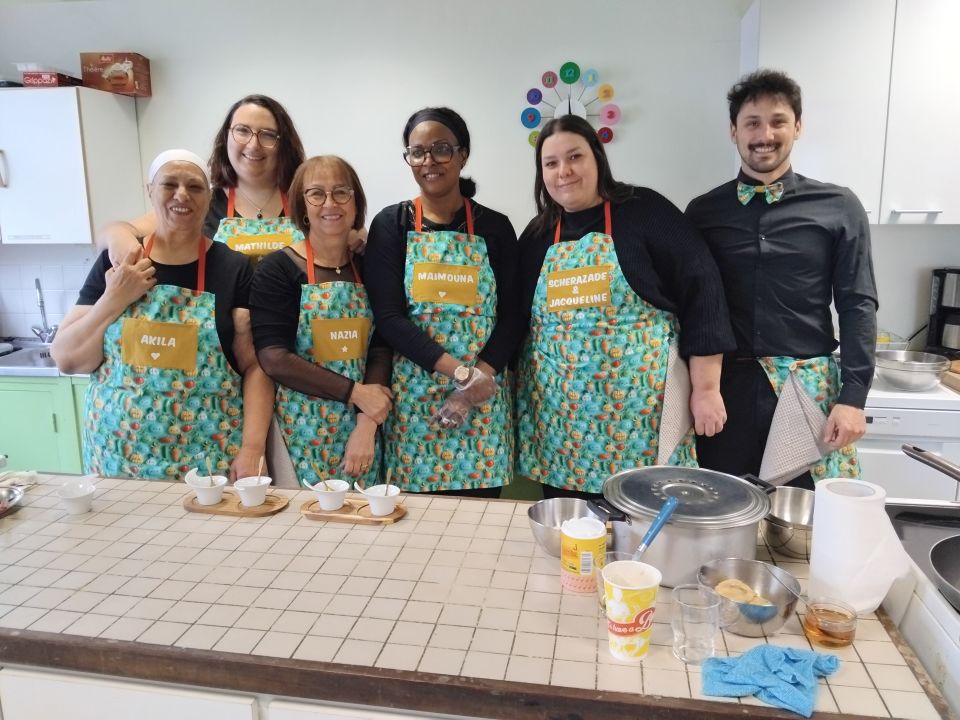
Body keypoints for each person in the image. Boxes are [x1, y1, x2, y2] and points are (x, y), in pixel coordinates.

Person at [516, 114, 735, 497]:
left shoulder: (645, 211)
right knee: (571, 525)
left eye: (575, 157)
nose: (564, 171)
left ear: (597, 158)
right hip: (560, 429)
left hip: (641, 421)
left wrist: (706, 389)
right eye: (551, 163)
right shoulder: (537, 235)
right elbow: (515, 321)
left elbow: (703, 292)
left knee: (646, 516)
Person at [685, 69, 877, 488]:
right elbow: (691, 307)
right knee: (723, 509)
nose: (765, 135)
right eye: (752, 123)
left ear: (798, 127)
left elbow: (857, 303)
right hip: (724, 395)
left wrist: (853, 397)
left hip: (806, 389)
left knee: (804, 515)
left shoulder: (839, 206)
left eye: (778, 122)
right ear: (734, 131)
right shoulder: (702, 213)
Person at [52, 149, 274, 481]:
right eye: (170, 184)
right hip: (117, 458)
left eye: (194, 187)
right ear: (150, 191)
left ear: (208, 197)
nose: (182, 195)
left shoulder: (233, 268)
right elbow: (68, 359)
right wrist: (114, 298)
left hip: (207, 458)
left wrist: (252, 449)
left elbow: (254, 366)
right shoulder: (119, 261)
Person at [364, 107, 522, 495]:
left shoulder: (495, 227)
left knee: (482, 520)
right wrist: (460, 375)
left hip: (483, 398)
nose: (428, 161)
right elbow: (389, 318)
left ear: (462, 154)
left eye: (441, 149)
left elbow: (514, 316)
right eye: (417, 152)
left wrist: (475, 382)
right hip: (416, 405)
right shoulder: (391, 225)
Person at [249, 156, 392, 487]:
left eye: (341, 192)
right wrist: (356, 393)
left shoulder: (369, 266)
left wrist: (366, 422)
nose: (330, 203)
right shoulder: (277, 269)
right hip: (300, 431)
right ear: (302, 206)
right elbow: (274, 358)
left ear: (356, 203)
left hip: (361, 434)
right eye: (316, 194)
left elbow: (381, 347)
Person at [99, 95, 311, 263]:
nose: (253, 145)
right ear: (226, 138)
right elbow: (114, 232)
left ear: (283, 144)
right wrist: (118, 237)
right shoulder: (202, 199)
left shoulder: (306, 201)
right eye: (242, 131)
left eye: (268, 134)